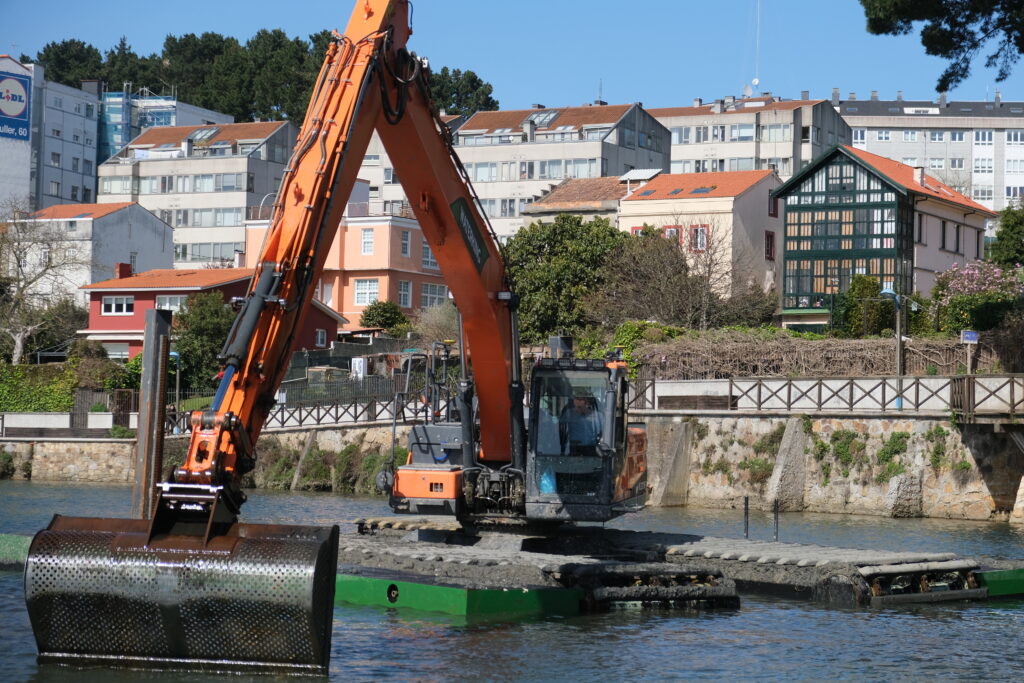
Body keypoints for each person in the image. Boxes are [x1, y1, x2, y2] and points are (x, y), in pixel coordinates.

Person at [560, 389, 603, 455]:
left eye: (580, 399)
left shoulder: (597, 416)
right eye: (575, 399)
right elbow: (559, 429)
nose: (577, 402)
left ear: (586, 401)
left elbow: (603, 433)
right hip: (573, 449)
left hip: (592, 449)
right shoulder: (568, 414)